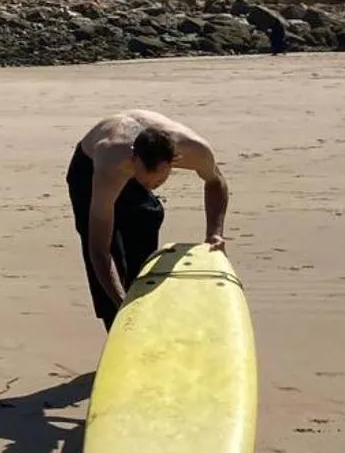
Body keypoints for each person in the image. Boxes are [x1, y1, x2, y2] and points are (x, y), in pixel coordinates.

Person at [68, 110, 230, 329]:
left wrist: (214, 233)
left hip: (139, 164)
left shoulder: (194, 149)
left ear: (174, 161)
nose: (153, 186)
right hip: (89, 170)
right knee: (112, 252)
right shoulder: (111, 161)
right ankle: (117, 324)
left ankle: (142, 300)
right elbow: (100, 250)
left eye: (158, 182)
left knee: (147, 216)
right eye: (149, 181)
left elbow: (215, 181)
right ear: (134, 160)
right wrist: (121, 302)